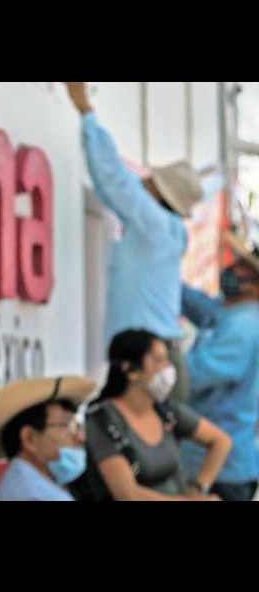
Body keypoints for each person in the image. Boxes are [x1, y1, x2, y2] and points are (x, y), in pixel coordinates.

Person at [65, 82, 204, 403]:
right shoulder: (172, 231)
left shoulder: (152, 223)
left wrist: (86, 111)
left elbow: (112, 175)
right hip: (161, 356)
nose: (142, 182)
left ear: (158, 190)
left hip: (147, 359)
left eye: (149, 181)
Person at [82, 329, 231, 501]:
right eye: (159, 361)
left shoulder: (164, 410)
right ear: (130, 370)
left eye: (167, 359)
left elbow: (220, 441)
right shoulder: (103, 420)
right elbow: (128, 495)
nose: (168, 368)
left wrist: (199, 488)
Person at [180, 231, 259, 501]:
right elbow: (200, 306)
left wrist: (156, 365)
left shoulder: (243, 326)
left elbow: (194, 376)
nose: (231, 268)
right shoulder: (231, 312)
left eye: (242, 268)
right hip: (215, 463)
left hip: (221, 471)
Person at [0, 376, 97, 501]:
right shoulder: (30, 496)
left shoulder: (37, 485)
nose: (80, 437)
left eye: (77, 426)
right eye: (68, 426)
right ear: (29, 439)